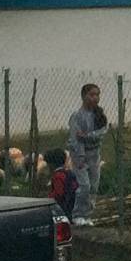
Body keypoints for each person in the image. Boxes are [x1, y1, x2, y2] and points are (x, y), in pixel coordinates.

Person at [67, 83, 108, 226]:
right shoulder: (77, 116)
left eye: (97, 95)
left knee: (94, 186)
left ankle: (88, 215)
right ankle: (78, 214)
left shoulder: (99, 115)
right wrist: (80, 157)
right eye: (92, 95)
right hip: (81, 156)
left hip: (95, 155)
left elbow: (102, 132)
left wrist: (88, 136)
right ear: (84, 96)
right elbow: (75, 138)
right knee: (84, 185)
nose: (95, 98)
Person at [44, 149, 79, 217]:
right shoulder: (69, 173)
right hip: (71, 204)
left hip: (62, 207)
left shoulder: (58, 176)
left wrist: (48, 199)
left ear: (51, 164)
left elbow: (58, 193)